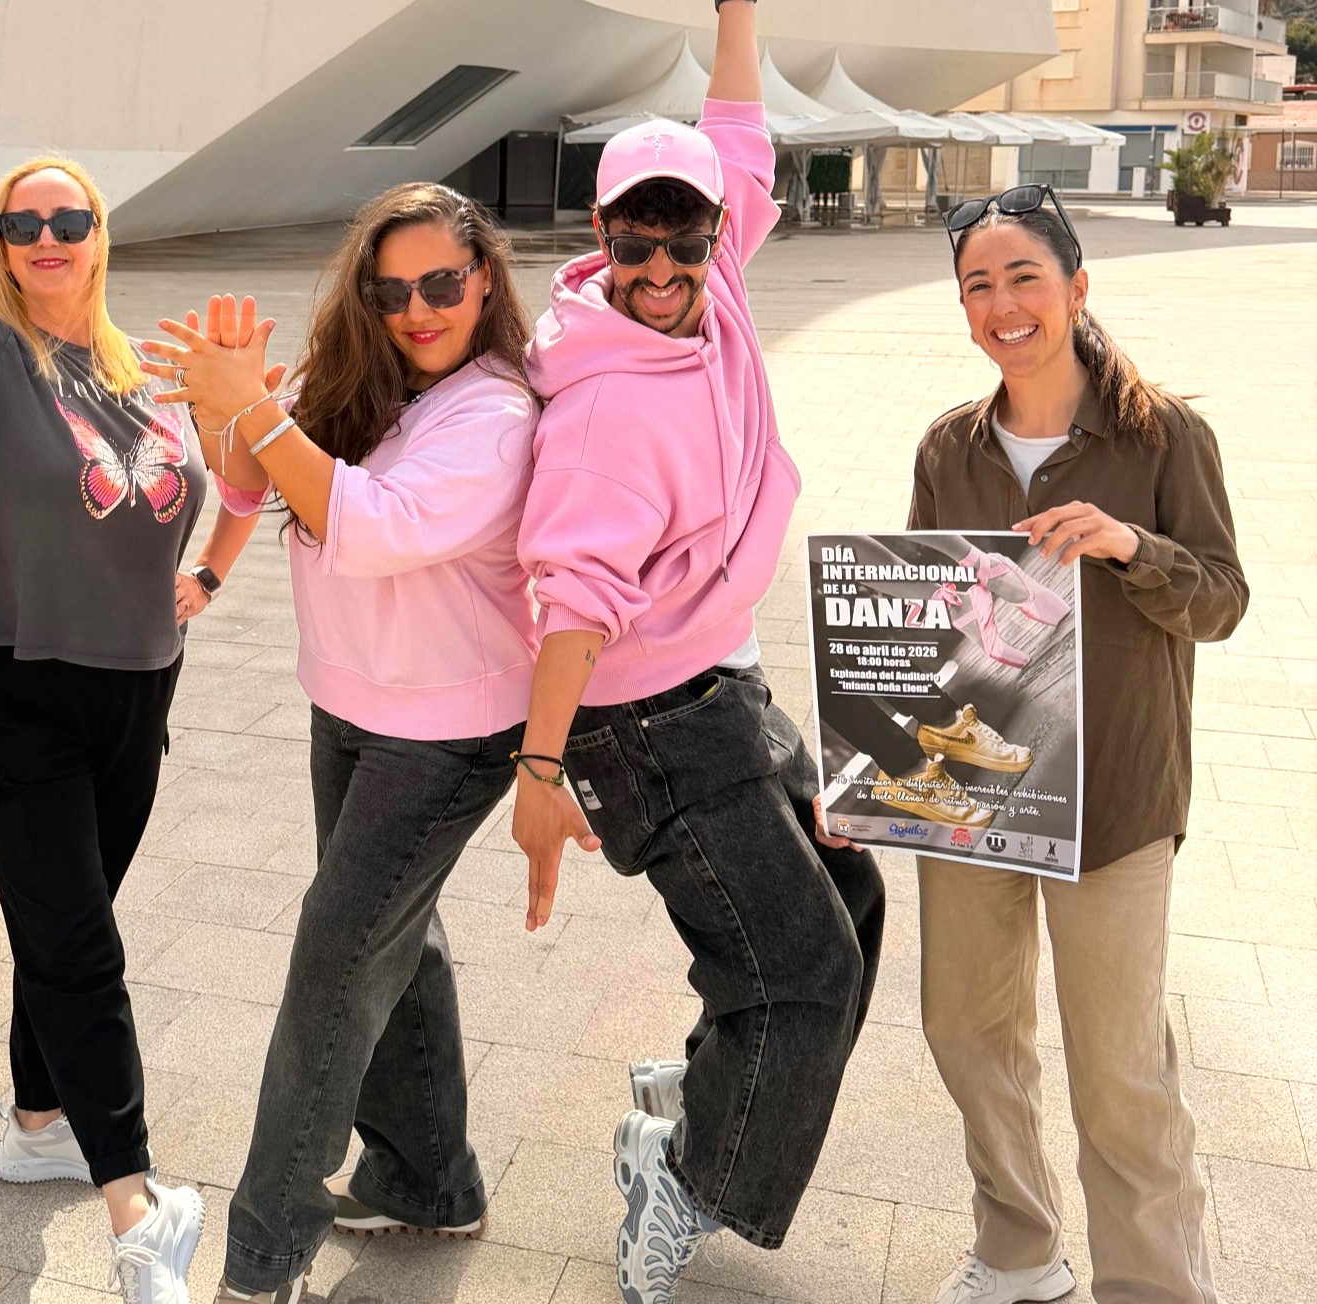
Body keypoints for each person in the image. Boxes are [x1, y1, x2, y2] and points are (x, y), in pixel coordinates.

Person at [0, 3, 253, 1299]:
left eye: (69, 219)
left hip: (141, 693)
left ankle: (38, 1126)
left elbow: (240, 483)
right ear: (3, 244)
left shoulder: (150, 374)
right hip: (22, 697)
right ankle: (135, 1206)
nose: (46, 239)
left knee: (63, 929)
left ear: (100, 238)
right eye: (23, 223)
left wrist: (209, 563)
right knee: (83, 950)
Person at [508, 2, 884, 1297]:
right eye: (633, 239)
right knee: (803, 974)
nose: (661, 264)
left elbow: (739, 130)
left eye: (683, 233)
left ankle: (707, 1083)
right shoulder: (600, 396)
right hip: (642, 723)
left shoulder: (714, 278)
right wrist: (540, 771)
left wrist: (735, 14)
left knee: (853, 898)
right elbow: (570, 600)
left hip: (727, 678)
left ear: (715, 230)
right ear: (596, 234)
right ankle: (674, 1170)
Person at [140, 182, 539, 1304]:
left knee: (332, 969)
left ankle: (259, 1263)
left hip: (448, 731)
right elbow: (251, 477)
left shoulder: (495, 412)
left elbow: (375, 529)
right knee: (386, 940)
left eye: (443, 285)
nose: (418, 309)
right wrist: (231, 399)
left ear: (485, 281)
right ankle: (430, 1179)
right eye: (390, 289)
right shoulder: (362, 382)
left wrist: (254, 408)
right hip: (351, 703)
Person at [892, 183, 1245, 1304]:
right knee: (966, 1026)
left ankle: (1151, 1284)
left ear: (1077, 288)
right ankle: (1018, 1247)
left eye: (1024, 277)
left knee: (1119, 1065)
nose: (1002, 304)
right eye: (978, 285)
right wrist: (877, 770)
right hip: (976, 794)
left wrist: (1131, 544)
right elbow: (920, 628)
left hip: (1116, 799)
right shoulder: (950, 447)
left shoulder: (1163, 435)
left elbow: (1224, 599)